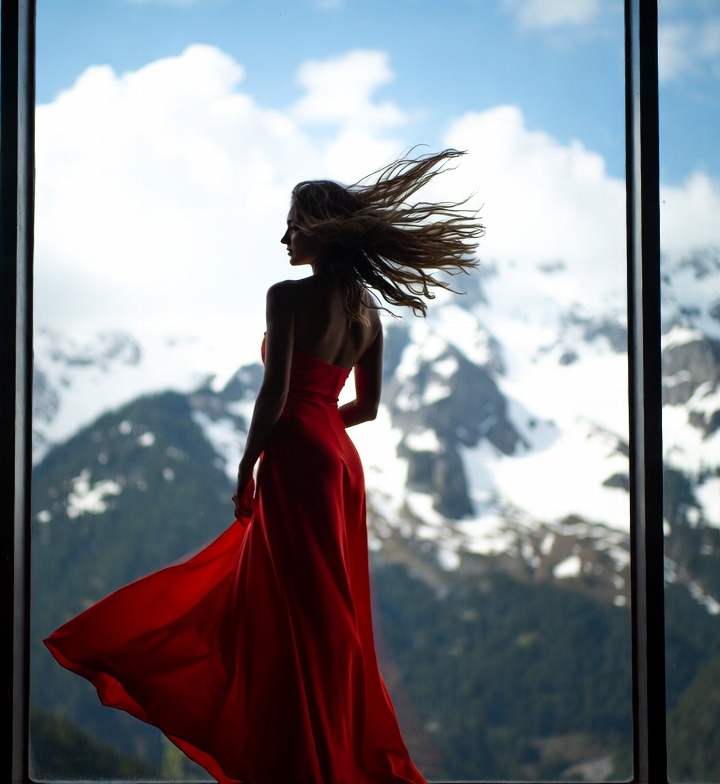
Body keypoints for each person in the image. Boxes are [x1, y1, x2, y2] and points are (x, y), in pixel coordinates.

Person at [44, 148, 483, 784]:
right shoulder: (369, 316)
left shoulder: (285, 297)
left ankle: (297, 758)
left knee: (289, 607)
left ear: (325, 232)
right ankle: (324, 749)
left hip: (297, 453)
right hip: (338, 459)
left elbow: (274, 392)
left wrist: (248, 463)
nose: (285, 237)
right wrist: (323, 422)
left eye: (295, 225)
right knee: (327, 609)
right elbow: (368, 406)